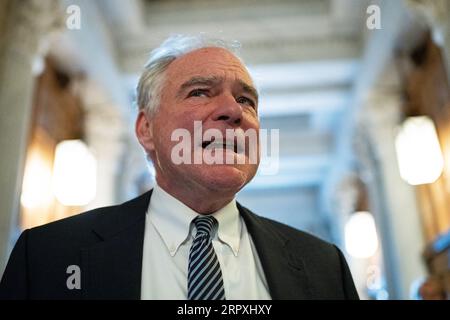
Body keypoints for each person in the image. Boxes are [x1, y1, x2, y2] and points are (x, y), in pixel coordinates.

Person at [0, 34, 359, 300]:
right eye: (200, 92)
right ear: (146, 129)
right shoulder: (48, 259)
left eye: (246, 100)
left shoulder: (325, 268)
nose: (233, 111)